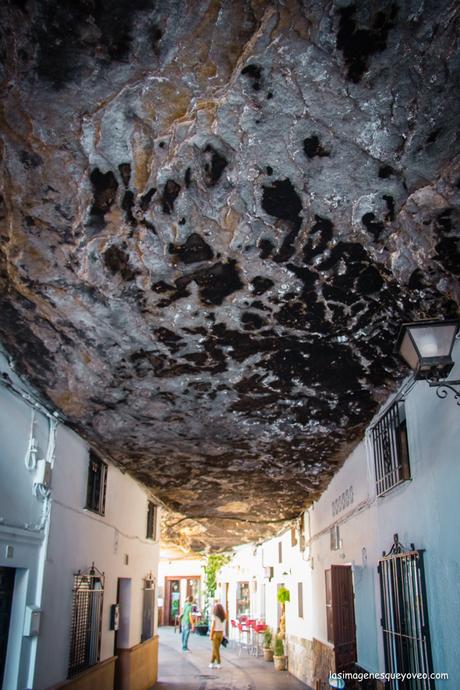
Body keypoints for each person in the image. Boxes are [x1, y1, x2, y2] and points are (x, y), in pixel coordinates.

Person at [209, 602, 226, 669]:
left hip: (215, 633)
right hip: (221, 634)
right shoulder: (224, 617)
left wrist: (210, 635)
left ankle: (219, 663)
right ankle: (211, 663)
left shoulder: (214, 616)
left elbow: (213, 626)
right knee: (215, 649)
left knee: (216, 649)